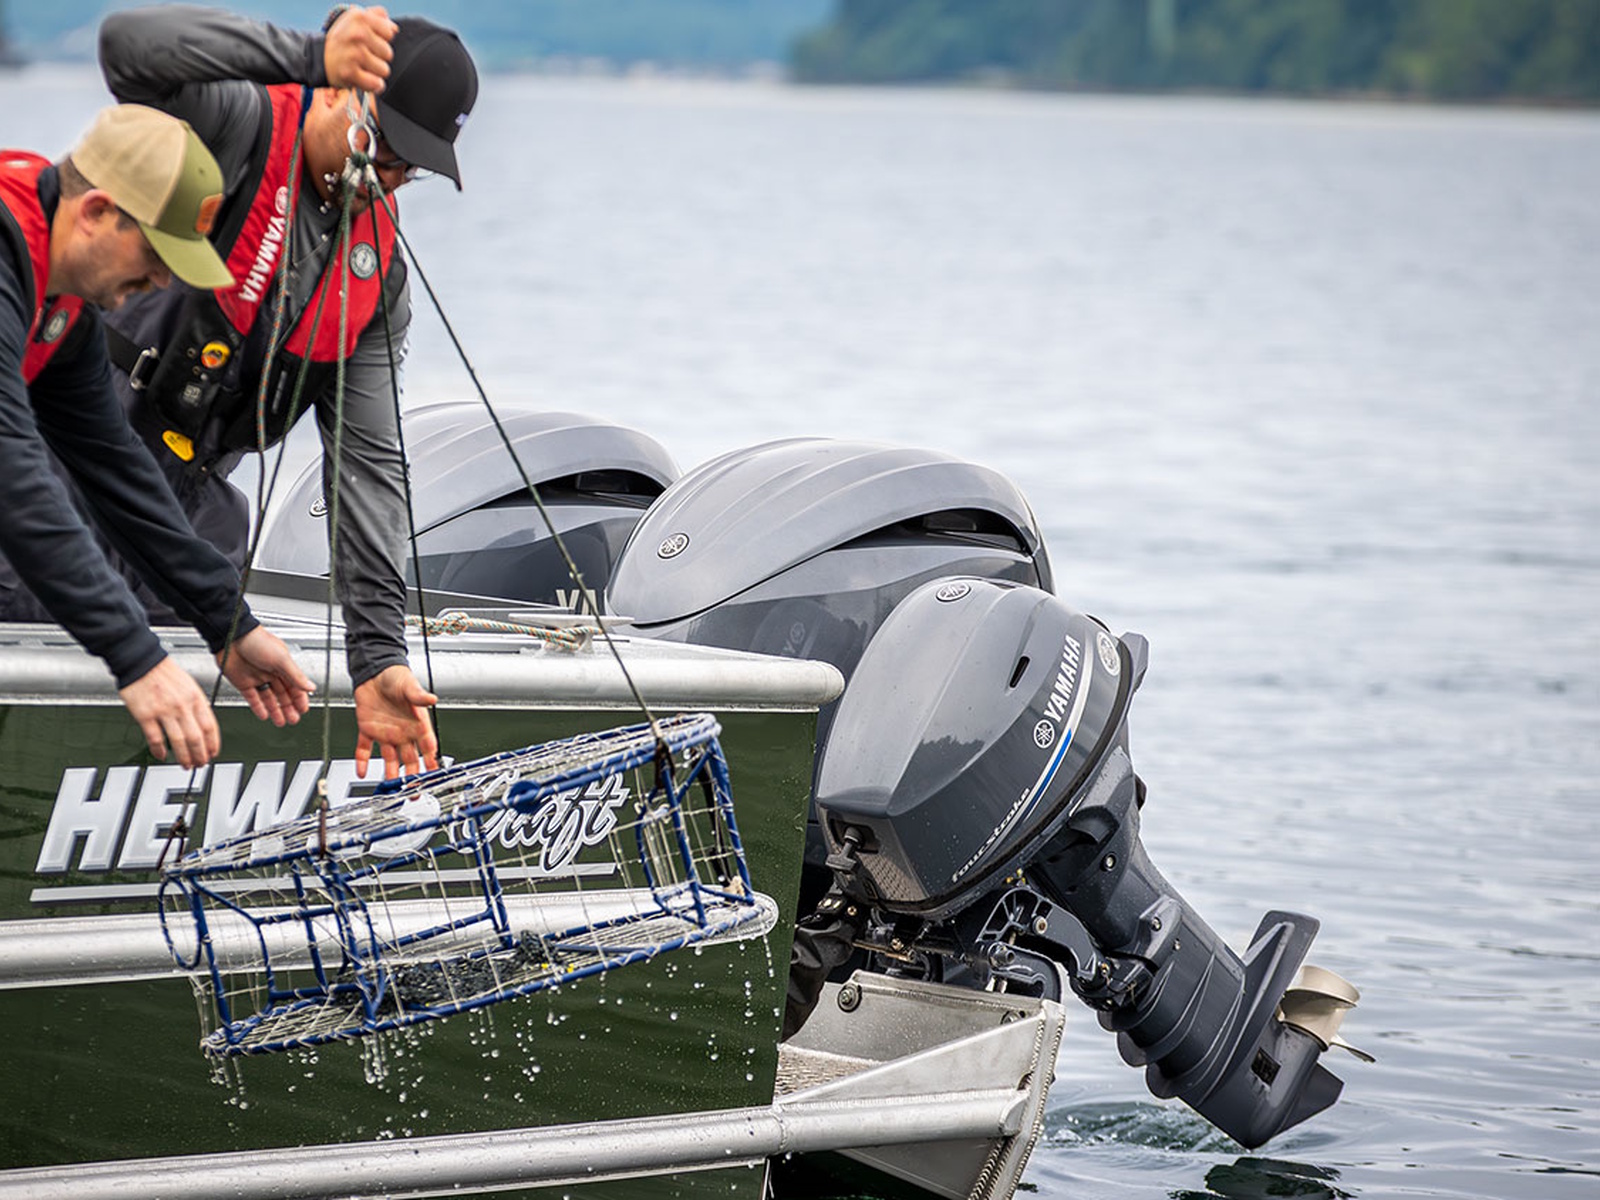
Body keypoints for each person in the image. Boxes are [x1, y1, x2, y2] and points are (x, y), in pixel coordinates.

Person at [93, 4, 479, 780]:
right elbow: (126, 45)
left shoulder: (376, 279)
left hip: (187, 513)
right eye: (386, 148)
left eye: (409, 169)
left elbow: (368, 468)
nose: (387, 179)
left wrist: (378, 656)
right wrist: (307, 55)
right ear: (338, 93)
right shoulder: (234, 122)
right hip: (72, 458)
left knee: (179, 697)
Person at [0, 103, 315, 770]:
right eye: (155, 253)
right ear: (97, 211)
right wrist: (135, 656)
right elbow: (11, 472)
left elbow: (115, 468)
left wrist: (226, 620)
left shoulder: (62, 306)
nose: (163, 281)